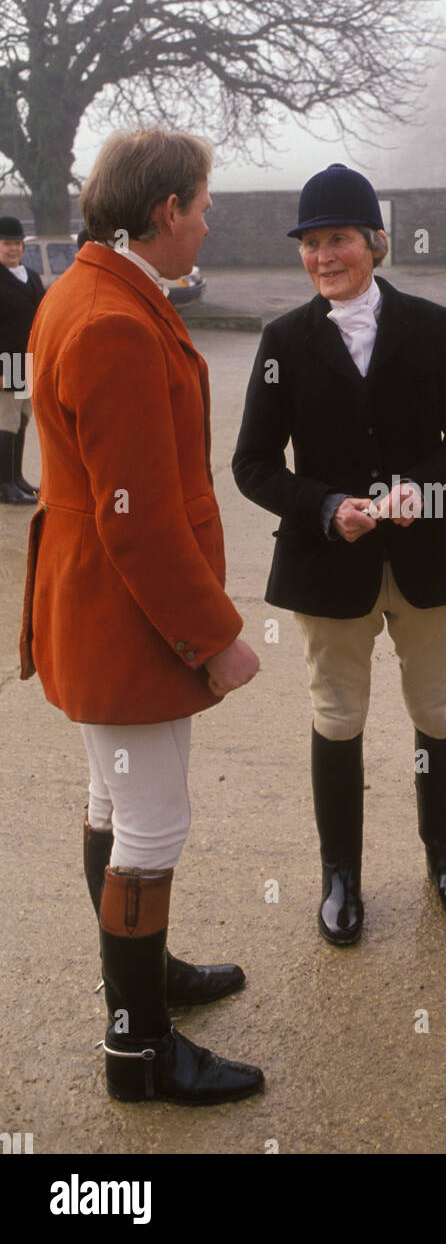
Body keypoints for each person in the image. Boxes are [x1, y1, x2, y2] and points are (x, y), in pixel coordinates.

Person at [20, 128, 264, 1104]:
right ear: (165, 211)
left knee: (114, 808)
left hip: (96, 605)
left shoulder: (84, 287)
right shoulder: (112, 319)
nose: (207, 222)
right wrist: (214, 637)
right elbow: (142, 521)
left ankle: (143, 982)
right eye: (202, 205)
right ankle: (138, 1046)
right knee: (152, 828)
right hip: (128, 616)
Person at [233, 163, 446, 945]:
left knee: (437, 711)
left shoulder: (433, 323)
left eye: (338, 238)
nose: (323, 256)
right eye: (311, 244)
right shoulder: (283, 340)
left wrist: (425, 490)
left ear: (375, 242)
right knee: (338, 719)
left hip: (430, 558)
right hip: (329, 565)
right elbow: (251, 464)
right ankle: (340, 875)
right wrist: (320, 507)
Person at [0, 215, 44, 504]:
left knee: (23, 420)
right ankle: (4, 485)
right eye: (7, 244)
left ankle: (17, 477)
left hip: (27, 361)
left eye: (17, 243)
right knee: (6, 421)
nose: (13, 249)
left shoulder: (31, 275)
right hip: (6, 361)